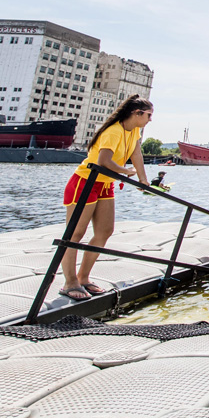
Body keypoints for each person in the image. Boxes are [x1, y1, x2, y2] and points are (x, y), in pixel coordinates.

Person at [60, 94, 153, 301]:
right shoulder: (113, 131)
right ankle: (70, 281)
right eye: (148, 115)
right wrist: (125, 172)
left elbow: (136, 154)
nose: (149, 120)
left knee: (104, 231)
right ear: (135, 113)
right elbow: (103, 160)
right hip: (85, 182)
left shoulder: (135, 131)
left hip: (105, 184)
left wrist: (143, 180)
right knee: (75, 233)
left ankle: (83, 277)